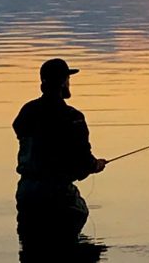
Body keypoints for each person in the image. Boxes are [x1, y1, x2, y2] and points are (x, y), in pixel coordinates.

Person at [13, 58, 107, 260]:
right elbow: (84, 162)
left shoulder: (27, 112)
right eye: (67, 79)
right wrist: (96, 165)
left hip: (27, 192)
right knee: (73, 245)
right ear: (64, 82)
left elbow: (21, 131)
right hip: (56, 196)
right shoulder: (72, 117)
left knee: (31, 253)